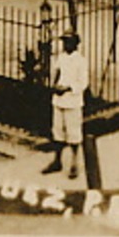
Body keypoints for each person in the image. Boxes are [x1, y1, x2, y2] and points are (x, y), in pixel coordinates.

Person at [43, 32, 88, 179]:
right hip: (59, 100)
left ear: (75, 44)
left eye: (68, 42)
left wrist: (68, 88)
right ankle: (57, 161)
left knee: (73, 133)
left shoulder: (80, 61)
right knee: (57, 131)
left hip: (73, 102)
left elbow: (83, 83)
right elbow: (57, 71)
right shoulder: (61, 57)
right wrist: (55, 85)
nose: (65, 45)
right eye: (64, 42)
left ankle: (74, 163)